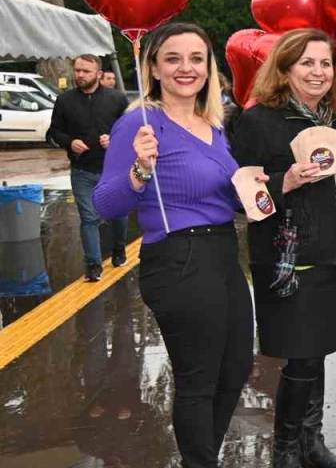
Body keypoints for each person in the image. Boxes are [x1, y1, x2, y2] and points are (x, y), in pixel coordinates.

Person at [93, 23, 253, 468]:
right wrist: (140, 170)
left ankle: (202, 458)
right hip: (179, 258)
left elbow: (224, 193)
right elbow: (106, 203)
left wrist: (264, 186)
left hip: (222, 254)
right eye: (174, 59)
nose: (187, 68)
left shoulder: (213, 124)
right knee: (199, 378)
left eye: (197, 58)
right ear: (154, 68)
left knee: (235, 368)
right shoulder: (139, 124)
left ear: (209, 67)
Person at [231, 29, 336, 468]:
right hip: (291, 259)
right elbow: (241, 197)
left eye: (325, 63)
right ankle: (286, 449)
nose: (318, 72)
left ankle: (311, 442)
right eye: (307, 63)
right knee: (302, 352)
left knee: (317, 349)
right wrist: (284, 183)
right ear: (285, 69)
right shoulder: (256, 121)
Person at [49, 54, 129, 280]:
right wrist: (69, 142)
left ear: (99, 74)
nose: (80, 75)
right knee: (88, 217)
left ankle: (119, 248)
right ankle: (93, 265)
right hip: (82, 170)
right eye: (77, 70)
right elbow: (53, 132)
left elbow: (133, 131)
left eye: (86, 71)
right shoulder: (64, 101)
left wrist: (115, 140)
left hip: (114, 170)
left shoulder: (117, 99)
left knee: (118, 214)